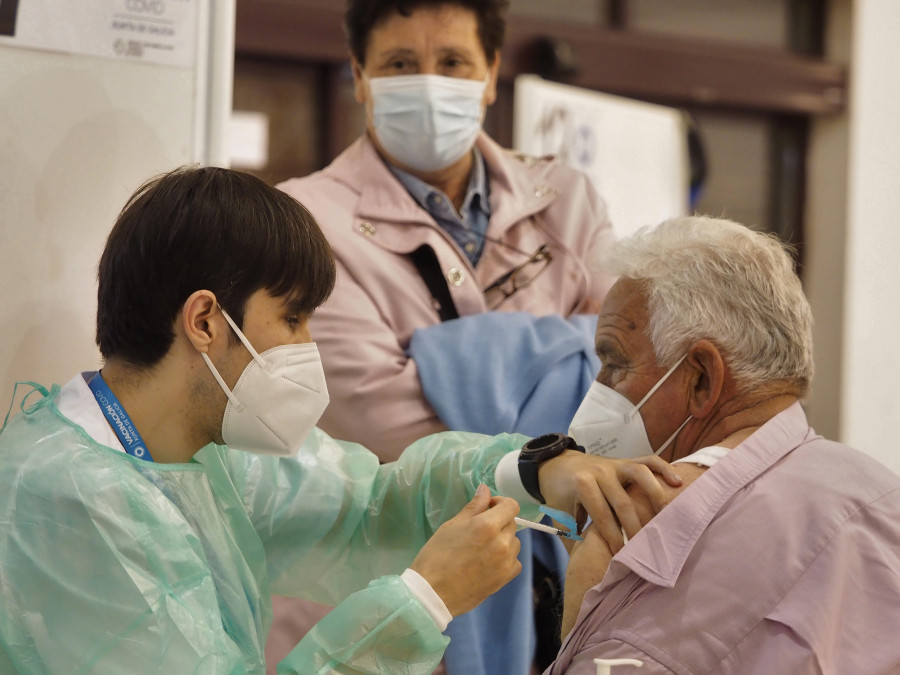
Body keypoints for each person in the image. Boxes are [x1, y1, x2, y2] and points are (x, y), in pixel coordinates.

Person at [0, 166, 679, 674]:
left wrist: (534, 469)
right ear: (206, 320)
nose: (308, 348)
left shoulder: (203, 453)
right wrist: (424, 598)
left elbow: (367, 504)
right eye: (293, 318)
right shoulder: (68, 496)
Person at [274, 0, 615, 671]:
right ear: (359, 76)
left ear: (491, 74)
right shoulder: (302, 220)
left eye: (453, 62)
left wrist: (444, 365)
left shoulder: (568, 198)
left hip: (550, 597)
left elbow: (625, 376)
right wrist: (557, 384)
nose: (428, 83)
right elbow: (381, 421)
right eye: (400, 64)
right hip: (374, 612)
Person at [548, 216, 900, 674]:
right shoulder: (876, 491)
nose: (598, 387)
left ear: (701, 379)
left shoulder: (647, 585)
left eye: (615, 363)